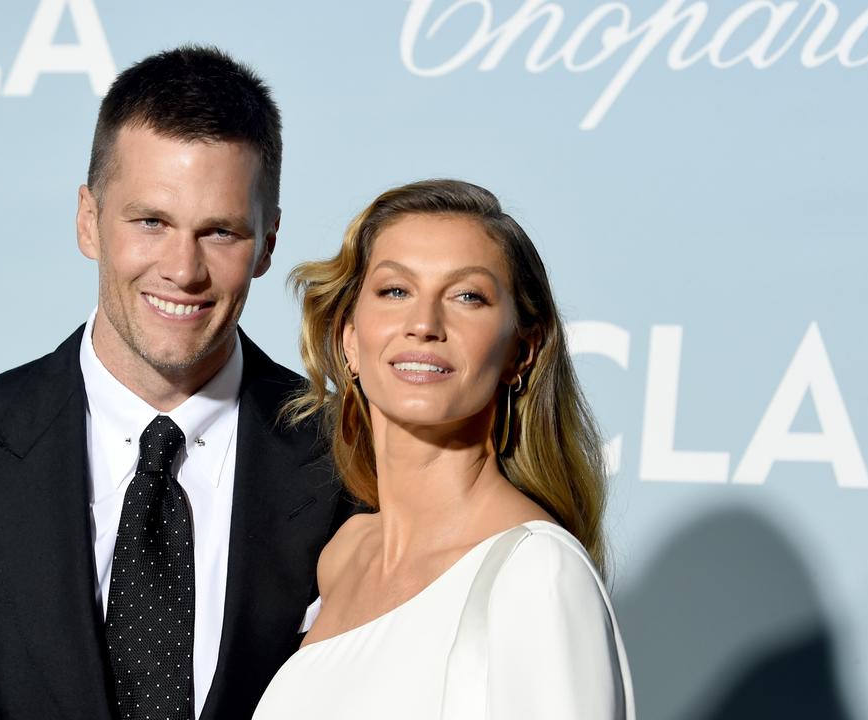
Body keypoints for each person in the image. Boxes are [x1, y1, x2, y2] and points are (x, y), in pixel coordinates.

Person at [0, 46, 351, 720]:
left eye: (219, 231)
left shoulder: (349, 460)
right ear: (88, 220)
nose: (182, 269)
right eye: (150, 222)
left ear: (267, 243)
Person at [253, 180, 635, 719]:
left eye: (467, 297)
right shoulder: (344, 556)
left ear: (520, 352)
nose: (424, 325)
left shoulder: (537, 573)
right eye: (395, 291)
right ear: (349, 338)